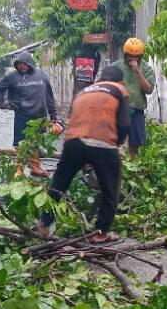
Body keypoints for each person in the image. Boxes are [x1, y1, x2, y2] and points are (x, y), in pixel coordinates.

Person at [36, 66, 130, 242]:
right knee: (111, 188)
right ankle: (101, 232)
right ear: (119, 80)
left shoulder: (84, 91)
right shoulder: (119, 89)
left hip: (73, 142)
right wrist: (117, 145)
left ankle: (44, 224)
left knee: (59, 183)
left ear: (101, 78)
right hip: (103, 142)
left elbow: (76, 117)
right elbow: (124, 124)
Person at [0, 51, 58, 177]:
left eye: (24, 64)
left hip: (40, 116)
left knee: (35, 143)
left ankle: (35, 168)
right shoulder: (12, 77)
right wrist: (2, 104)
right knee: (20, 144)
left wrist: (53, 114)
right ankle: (20, 170)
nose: (21, 66)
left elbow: (49, 96)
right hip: (22, 116)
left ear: (30, 63)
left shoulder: (41, 75)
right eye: (18, 64)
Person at [95, 37, 155, 159]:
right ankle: (115, 167)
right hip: (117, 110)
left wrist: (138, 71)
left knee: (134, 145)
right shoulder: (116, 66)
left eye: (137, 56)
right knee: (114, 142)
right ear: (125, 54)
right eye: (131, 56)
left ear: (141, 56)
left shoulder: (146, 69)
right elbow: (104, 83)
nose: (134, 59)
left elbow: (148, 90)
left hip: (136, 111)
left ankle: (133, 171)